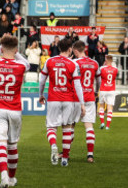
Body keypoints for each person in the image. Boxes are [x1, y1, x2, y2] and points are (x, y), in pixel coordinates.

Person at [0, 35, 29, 188]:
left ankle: (4, 177)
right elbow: (27, 63)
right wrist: (14, 51)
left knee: (0, 144)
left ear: (2, 49)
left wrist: (1, 48)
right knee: (12, 145)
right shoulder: (20, 66)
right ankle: (11, 179)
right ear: (17, 49)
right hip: (15, 109)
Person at [39, 38, 86, 167]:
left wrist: (41, 95)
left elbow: (42, 80)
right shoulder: (73, 64)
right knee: (67, 128)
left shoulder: (49, 61)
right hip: (68, 100)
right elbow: (77, 86)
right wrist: (82, 104)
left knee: (51, 127)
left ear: (59, 48)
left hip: (54, 98)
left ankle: (53, 145)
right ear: (70, 49)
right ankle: (65, 158)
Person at [71, 40, 101, 163]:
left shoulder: (74, 63)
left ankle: (65, 153)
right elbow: (99, 81)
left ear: (76, 51)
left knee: (70, 126)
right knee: (89, 126)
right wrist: (96, 92)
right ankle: (90, 155)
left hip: (76, 98)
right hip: (89, 97)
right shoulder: (95, 63)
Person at [98, 55, 118, 130]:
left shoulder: (102, 68)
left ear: (105, 61)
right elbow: (114, 77)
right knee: (110, 107)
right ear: (112, 61)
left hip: (103, 89)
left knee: (102, 106)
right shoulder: (115, 69)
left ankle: (102, 122)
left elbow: (99, 76)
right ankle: (107, 126)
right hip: (111, 90)